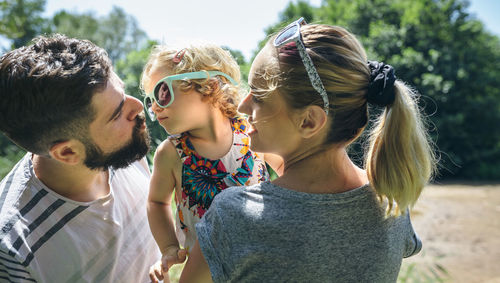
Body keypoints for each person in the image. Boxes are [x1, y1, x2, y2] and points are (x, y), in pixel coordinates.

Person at [172, 18, 437, 282]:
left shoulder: (234, 214)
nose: (242, 106)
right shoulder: (391, 201)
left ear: (309, 121)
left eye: (259, 96)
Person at [0, 34, 160, 282]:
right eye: (117, 114)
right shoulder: (13, 250)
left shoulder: (121, 148)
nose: (138, 106)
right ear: (67, 153)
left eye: (123, 92)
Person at [141, 43, 282, 281]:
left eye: (162, 93)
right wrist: (168, 247)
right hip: (207, 269)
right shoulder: (171, 154)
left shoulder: (250, 132)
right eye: (150, 100)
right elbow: (156, 202)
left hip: (262, 254)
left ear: (208, 86)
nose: (154, 106)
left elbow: (287, 170)